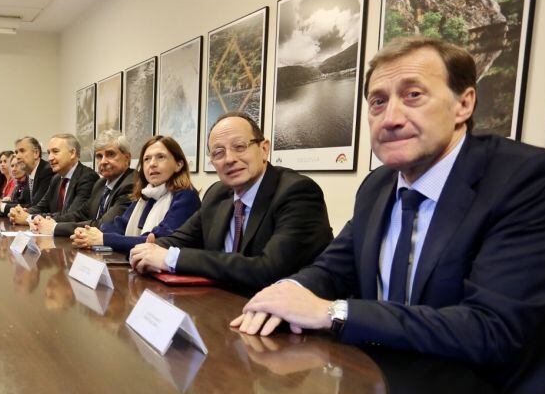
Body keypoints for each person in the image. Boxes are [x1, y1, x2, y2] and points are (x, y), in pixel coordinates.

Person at [231, 37, 545, 394]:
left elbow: (490, 328)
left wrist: (333, 313)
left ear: (463, 104)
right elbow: (333, 268)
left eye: (413, 95)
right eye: (378, 102)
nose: (391, 117)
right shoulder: (377, 185)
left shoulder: (532, 179)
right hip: (383, 385)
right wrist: (286, 291)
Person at [128, 113, 333, 293]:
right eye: (218, 152)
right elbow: (179, 240)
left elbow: (268, 270)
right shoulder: (218, 194)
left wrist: (170, 259)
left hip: (286, 323)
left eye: (239, 147)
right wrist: (149, 250)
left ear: (264, 149)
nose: (229, 159)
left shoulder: (297, 193)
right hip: (220, 308)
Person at [73, 135, 200, 252]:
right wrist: (88, 233)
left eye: (160, 157)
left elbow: (156, 241)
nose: (152, 164)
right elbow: (119, 225)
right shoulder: (146, 195)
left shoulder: (186, 196)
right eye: (147, 159)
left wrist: (103, 239)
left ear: (179, 164)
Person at [31, 130, 137, 236]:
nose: (103, 161)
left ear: (127, 158)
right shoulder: (101, 183)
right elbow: (81, 214)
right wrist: (49, 221)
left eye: (110, 154)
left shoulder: (131, 184)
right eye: (99, 156)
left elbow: (104, 226)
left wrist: (55, 227)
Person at [8, 133, 98, 225]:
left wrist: (29, 218)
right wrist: (22, 212)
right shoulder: (56, 179)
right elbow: (41, 207)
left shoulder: (87, 177)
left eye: (55, 151)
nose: (50, 158)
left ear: (72, 153)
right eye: (49, 153)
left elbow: (72, 216)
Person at [0, 136, 53, 214]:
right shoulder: (29, 173)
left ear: (36, 153)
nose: (18, 156)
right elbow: (21, 202)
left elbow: (36, 206)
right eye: (16, 152)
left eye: (22, 151)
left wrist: (1, 206)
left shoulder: (47, 171)